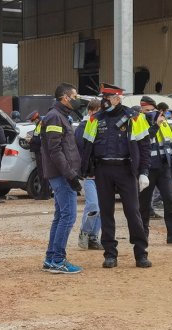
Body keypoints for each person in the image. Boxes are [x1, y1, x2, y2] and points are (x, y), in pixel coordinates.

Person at [80, 83, 152, 269]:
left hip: (126, 169)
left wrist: (143, 172)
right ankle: (110, 254)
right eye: (103, 98)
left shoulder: (135, 118)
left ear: (117, 98)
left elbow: (144, 147)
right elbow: (86, 147)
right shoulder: (94, 118)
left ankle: (141, 253)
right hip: (103, 169)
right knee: (106, 213)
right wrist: (85, 172)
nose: (104, 101)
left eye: (108, 98)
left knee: (132, 212)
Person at [40, 82, 84, 274]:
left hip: (62, 174)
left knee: (60, 216)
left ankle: (51, 258)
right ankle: (58, 260)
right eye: (75, 96)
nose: (77, 99)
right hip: (62, 175)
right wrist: (70, 175)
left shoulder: (61, 116)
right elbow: (55, 150)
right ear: (65, 98)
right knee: (68, 217)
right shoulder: (55, 117)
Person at [138, 96, 172, 244]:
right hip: (147, 169)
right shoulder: (139, 122)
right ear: (141, 110)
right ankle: (142, 235)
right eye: (146, 110)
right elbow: (144, 142)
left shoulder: (164, 123)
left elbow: (171, 144)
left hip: (164, 167)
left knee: (169, 200)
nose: (149, 113)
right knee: (144, 204)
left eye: (151, 110)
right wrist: (155, 125)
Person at [74, 99, 102, 250]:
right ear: (91, 111)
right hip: (89, 174)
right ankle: (84, 233)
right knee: (93, 206)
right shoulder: (82, 128)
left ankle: (93, 236)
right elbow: (82, 152)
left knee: (101, 208)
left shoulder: (101, 126)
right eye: (97, 111)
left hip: (102, 174)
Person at [26, 110, 51, 200]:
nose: (33, 122)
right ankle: (44, 193)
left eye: (33, 121)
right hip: (39, 152)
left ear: (36, 119)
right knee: (41, 174)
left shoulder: (41, 125)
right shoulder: (38, 126)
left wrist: (31, 140)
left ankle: (44, 194)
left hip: (41, 153)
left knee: (43, 174)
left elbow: (41, 140)